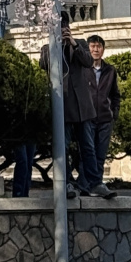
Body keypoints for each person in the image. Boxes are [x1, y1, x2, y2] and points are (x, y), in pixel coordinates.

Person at [38, 12, 93, 195]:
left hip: (82, 107)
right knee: (63, 147)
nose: (63, 30)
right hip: (64, 107)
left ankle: (89, 182)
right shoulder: (48, 48)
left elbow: (88, 62)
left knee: (87, 147)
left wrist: (74, 45)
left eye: (64, 26)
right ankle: (67, 182)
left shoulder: (81, 44)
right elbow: (44, 65)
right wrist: (57, 45)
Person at [80, 35, 120, 198]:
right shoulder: (83, 69)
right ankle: (85, 185)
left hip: (105, 118)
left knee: (100, 154)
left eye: (99, 46)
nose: (96, 50)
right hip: (88, 117)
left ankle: (97, 185)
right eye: (92, 46)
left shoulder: (110, 70)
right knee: (88, 152)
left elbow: (115, 94)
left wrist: (114, 112)